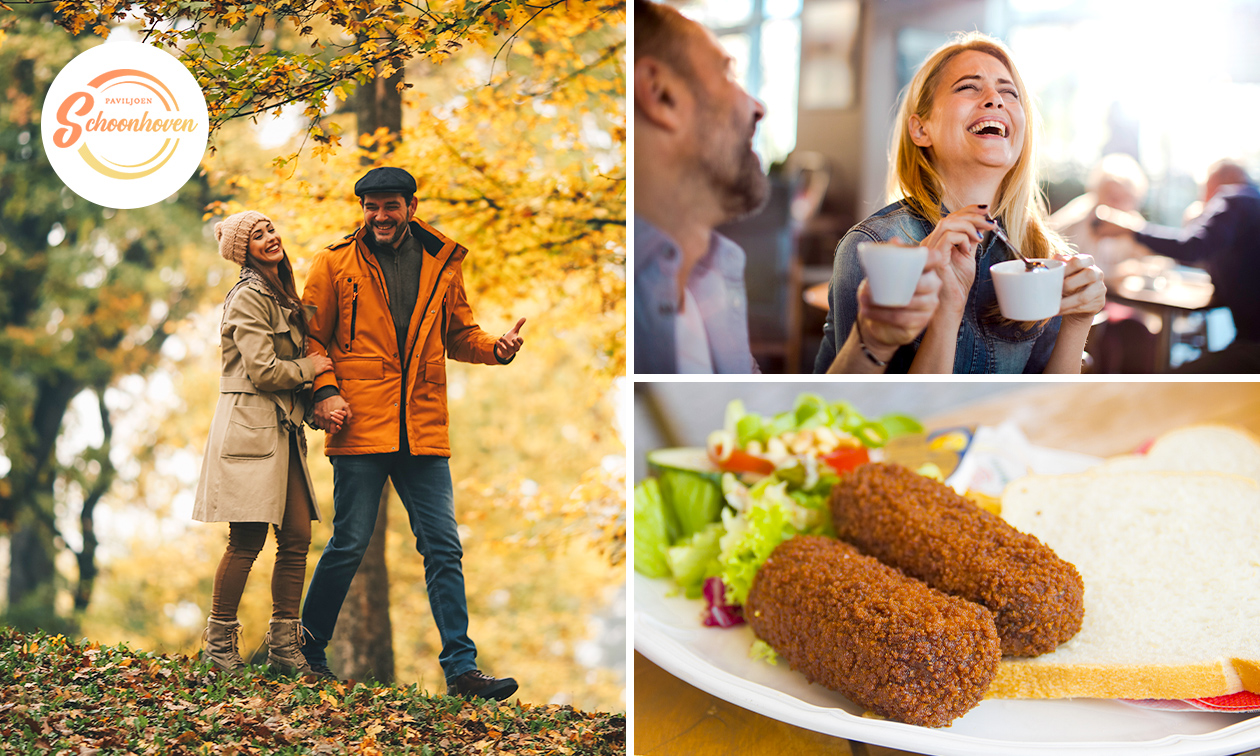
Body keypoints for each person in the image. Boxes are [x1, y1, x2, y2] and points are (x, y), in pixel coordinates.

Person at [299, 167, 524, 700]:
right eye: (371, 207)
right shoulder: (333, 263)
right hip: (359, 422)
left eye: (390, 206)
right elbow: (310, 338)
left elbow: (460, 334)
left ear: (411, 207)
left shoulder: (441, 261)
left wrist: (495, 348)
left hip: (422, 428)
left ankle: (462, 670)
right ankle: (305, 649)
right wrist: (325, 392)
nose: (380, 216)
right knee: (349, 543)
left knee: (444, 546)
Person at [814, 32, 1106, 374]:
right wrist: (946, 310)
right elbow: (858, 403)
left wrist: (1078, 322)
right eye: (969, 87)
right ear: (921, 130)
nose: (995, 99)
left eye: (1009, 92)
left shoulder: (1042, 253)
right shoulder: (873, 248)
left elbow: (1047, 400)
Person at [194, 210, 332, 676]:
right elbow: (264, 371)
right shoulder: (247, 298)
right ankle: (218, 647)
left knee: (297, 537)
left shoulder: (280, 293)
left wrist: (313, 402)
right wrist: (312, 369)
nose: (270, 237)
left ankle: (285, 650)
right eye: (257, 235)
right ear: (243, 251)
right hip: (250, 430)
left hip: (283, 431)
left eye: (269, 229)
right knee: (247, 538)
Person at [1094, 159, 1260, 372]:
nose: (1204, 200)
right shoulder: (1252, 207)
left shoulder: (1234, 198)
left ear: (1225, 178)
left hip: (1252, 345)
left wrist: (1130, 229)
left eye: (1204, 189)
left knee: (1178, 375)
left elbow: (1192, 247)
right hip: (1248, 340)